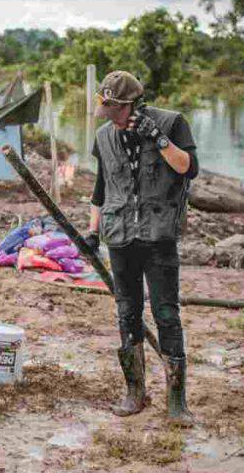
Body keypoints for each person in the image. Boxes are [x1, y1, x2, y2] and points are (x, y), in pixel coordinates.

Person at [85, 70, 199, 425]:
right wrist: (92, 231)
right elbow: (102, 189)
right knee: (126, 314)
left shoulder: (171, 123)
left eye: (115, 111)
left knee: (166, 314)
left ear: (131, 104)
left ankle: (177, 403)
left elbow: (189, 169)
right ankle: (135, 393)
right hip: (120, 237)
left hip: (158, 235)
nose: (110, 118)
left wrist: (159, 139)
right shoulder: (104, 136)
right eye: (106, 110)